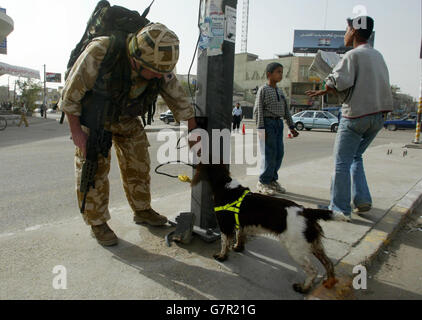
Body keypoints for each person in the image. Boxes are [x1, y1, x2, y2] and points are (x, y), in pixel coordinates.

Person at [59, 23, 198, 246]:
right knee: (93, 169)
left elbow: (177, 97)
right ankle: (97, 223)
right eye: (152, 71)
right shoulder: (101, 51)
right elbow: (70, 96)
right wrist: (77, 132)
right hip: (95, 119)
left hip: (126, 118)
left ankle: (142, 210)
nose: (156, 76)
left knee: (139, 163)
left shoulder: (158, 65)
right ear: (136, 58)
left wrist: (193, 129)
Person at [306, 16, 393, 222]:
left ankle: (339, 208)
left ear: (354, 31)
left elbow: (338, 83)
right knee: (356, 156)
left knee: (341, 163)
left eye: (346, 29)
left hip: (355, 116)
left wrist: (326, 85)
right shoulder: (377, 55)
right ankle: (361, 199)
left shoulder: (353, 55)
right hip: (378, 117)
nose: (345, 33)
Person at [254, 62, 299, 196]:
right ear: (269, 74)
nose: (281, 74)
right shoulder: (263, 90)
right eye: (278, 72)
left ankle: (272, 180)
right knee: (269, 154)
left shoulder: (280, 91)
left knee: (279, 153)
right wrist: (261, 129)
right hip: (267, 124)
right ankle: (263, 181)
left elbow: (286, 111)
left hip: (278, 124)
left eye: (281, 72)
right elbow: (258, 110)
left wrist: (292, 127)